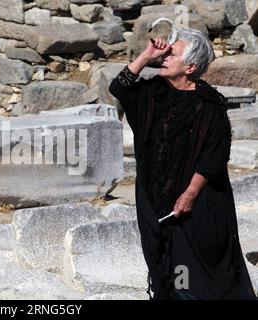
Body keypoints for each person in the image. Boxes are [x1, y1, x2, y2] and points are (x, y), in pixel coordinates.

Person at [109, 27, 257, 300]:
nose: (164, 57)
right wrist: (147, 55)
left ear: (190, 66)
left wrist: (189, 193)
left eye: (171, 54)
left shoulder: (209, 104)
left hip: (195, 206)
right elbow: (118, 87)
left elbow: (214, 156)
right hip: (155, 203)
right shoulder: (153, 92)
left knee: (192, 280)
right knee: (164, 268)